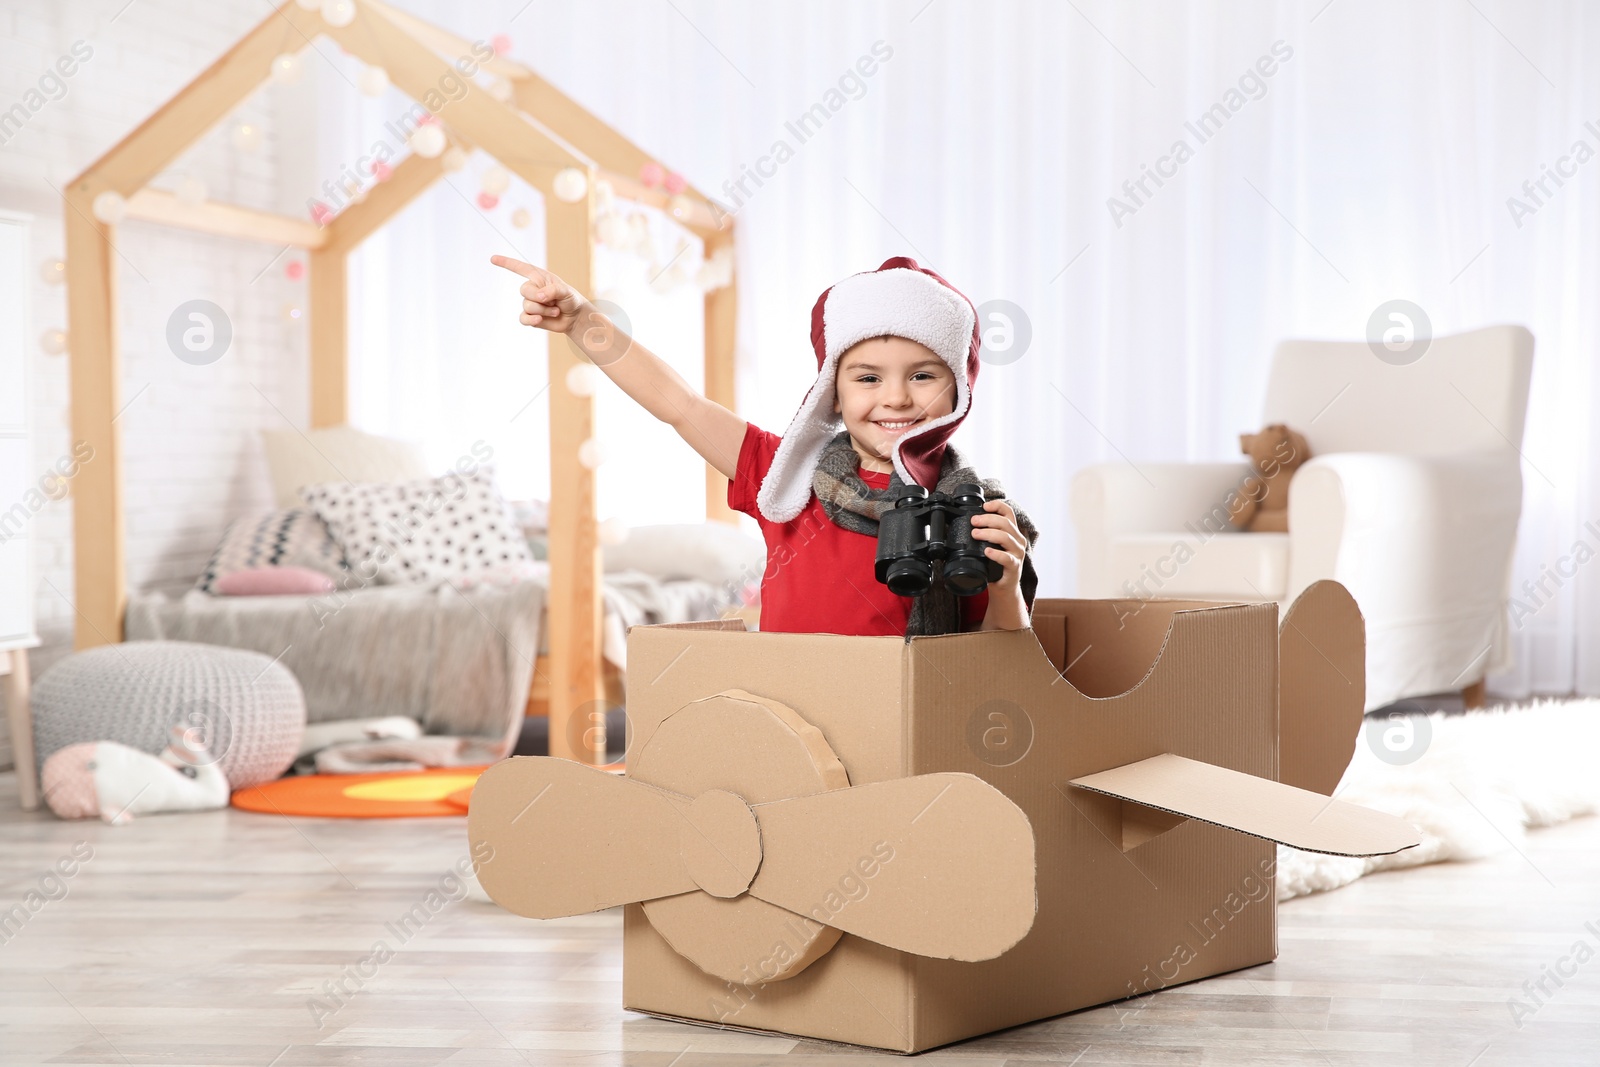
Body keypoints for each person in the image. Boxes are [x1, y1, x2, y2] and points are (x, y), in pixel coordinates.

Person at [490, 253, 1038, 637]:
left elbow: (994, 661)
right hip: (794, 724)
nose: (894, 399)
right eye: (868, 379)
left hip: (909, 727)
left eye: (922, 377)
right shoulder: (787, 474)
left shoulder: (973, 514)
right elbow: (681, 405)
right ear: (832, 392)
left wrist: (1008, 584)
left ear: (959, 389)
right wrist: (585, 322)